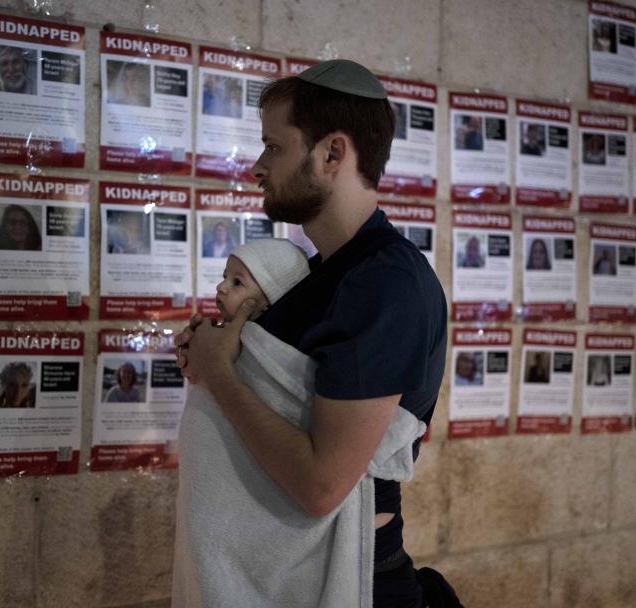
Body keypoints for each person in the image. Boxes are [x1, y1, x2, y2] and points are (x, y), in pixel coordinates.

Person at [174, 60, 452, 607]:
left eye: (274, 147)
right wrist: (213, 352)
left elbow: (322, 485)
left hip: (351, 584)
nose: (257, 166)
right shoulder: (323, 271)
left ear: (331, 154)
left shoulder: (385, 283)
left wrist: (220, 373)